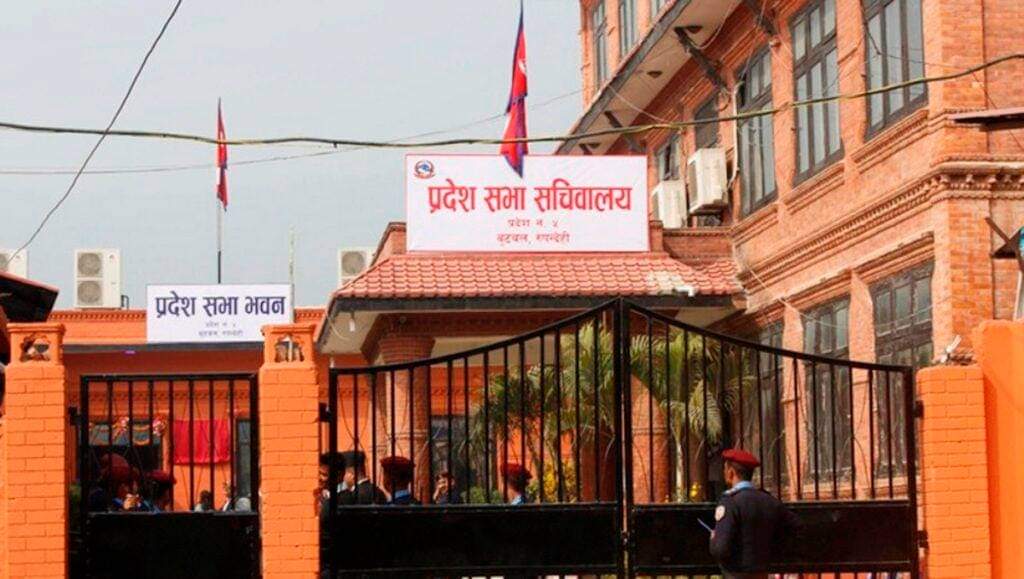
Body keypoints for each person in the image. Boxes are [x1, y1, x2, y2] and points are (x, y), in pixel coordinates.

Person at [709, 448, 800, 579]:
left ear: (731, 472)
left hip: (737, 573)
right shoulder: (768, 500)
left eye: (724, 469)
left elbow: (721, 549)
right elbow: (796, 526)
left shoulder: (730, 502)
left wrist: (714, 540)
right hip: (762, 571)